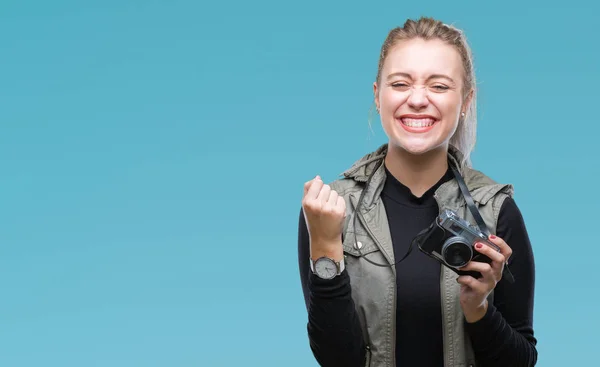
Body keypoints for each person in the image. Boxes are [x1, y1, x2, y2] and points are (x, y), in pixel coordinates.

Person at [297, 17, 537, 367]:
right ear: (378, 96)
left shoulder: (496, 211)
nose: (418, 99)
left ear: (466, 100)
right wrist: (325, 249)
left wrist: (479, 309)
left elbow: (522, 361)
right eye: (400, 83)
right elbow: (337, 359)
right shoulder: (330, 210)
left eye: (439, 86)